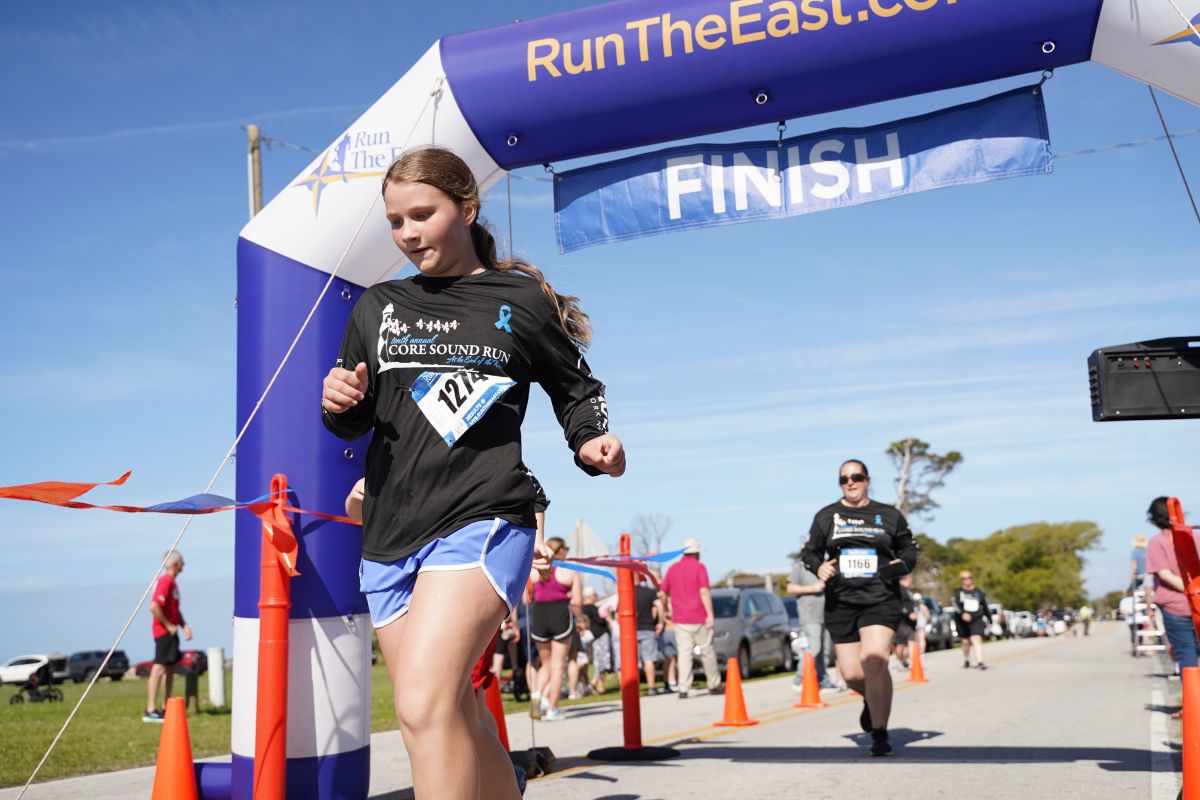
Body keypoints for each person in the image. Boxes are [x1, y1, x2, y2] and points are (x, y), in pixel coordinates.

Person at [321, 146, 625, 800]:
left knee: (423, 706)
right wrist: (338, 401)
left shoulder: (519, 298)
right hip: (389, 533)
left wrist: (591, 440)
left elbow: (576, 389)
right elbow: (353, 418)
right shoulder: (378, 306)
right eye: (395, 221)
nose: (407, 233)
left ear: (467, 208)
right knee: (447, 708)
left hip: (482, 516)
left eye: (421, 215)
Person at [801, 459, 919, 757]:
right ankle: (872, 699)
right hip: (841, 601)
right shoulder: (826, 516)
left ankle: (880, 732)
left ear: (867, 480)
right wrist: (818, 567)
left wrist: (902, 563)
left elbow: (909, 548)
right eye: (844, 479)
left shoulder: (888, 515)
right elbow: (810, 552)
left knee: (874, 660)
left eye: (856, 477)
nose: (850, 482)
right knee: (853, 674)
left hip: (881, 597)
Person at [1146, 496, 1200, 681]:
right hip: (1198, 602)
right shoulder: (1194, 537)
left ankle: (1192, 697)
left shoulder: (1157, 542)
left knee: (1186, 653)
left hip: (1175, 607)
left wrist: (1188, 590)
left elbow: (1164, 575)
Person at [661, 538, 722, 698]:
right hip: (699, 616)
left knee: (684, 653)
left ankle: (683, 688)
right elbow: (704, 591)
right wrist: (710, 614)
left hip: (681, 618)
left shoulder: (673, 569)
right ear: (696, 553)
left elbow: (663, 592)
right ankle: (713, 684)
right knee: (707, 651)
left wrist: (667, 609)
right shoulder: (700, 567)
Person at [529, 537, 582, 719]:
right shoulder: (569, 571)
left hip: (540, 616)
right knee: (558, 665)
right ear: (559, 551)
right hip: (560, 615)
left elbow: (526, 599)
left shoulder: (534, 571)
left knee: (545, 664)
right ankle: (552, 708)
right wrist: (581, 619)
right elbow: (577, 602)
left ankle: (536, 697)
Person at [144, 550, 192, 723]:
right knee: (159, 668)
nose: (184, 565)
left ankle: (167, 707)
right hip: (163, 632)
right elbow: (154, 606)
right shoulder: (165, 581)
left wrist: (184, 626)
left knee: (170, 669)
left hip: (172, 633)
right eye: (182, 562)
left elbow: (174, 609)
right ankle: (150, 709)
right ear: (176, 564)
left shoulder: (173, 583)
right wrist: (168, 625)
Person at [787, 557, 836, 691]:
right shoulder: (801, 566)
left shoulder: (827, 564)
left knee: (824, 651)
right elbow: (790, 588)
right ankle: (799, 680)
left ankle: (823, 681)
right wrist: (812, 588)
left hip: (826, 614)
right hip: (810, 615)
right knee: (814, 648)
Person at [628, 574, 666, 694]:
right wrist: (660, 622)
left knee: (632, 660)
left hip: (631, 630)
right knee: (648, 659)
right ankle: (651, 688)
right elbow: (659, 605)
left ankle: (632, 689)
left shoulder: (627, 593)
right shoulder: (649, 592)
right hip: (648, 628)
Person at [953, 571, 992, 670]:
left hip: (976, 618)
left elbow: (985, 606)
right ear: (961, 580)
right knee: (965, 642)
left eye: (969, 577)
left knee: (976, 638)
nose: (967, 580)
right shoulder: (958, 592)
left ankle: (980, 661)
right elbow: (955, 604)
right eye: (964, 578)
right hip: (962, 620)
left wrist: (989, 618)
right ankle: (967, 659)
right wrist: (963, 613)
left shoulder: (978, 592)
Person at [581, 586, 612, 694]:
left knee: (596, 661)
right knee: (602, 661)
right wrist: (606, 616)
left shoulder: (581, 609)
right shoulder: (594, 608)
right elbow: (600, 621)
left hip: (589, 638)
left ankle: (598, 686)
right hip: (600, 636)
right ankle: (594, 684)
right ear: (591, 596)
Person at [893, 574, 919, 670]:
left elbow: (911, 603)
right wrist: (908, 613)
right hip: (901, 622)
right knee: (900, 644)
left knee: (911, 641)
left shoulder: (908, 590)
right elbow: (899, 603)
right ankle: (901, 660)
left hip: (910, 623)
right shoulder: (899, 589)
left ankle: (913, 664)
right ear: (907, 578)